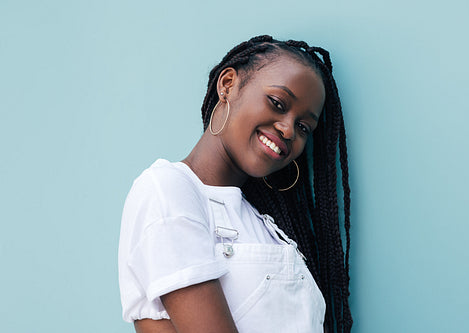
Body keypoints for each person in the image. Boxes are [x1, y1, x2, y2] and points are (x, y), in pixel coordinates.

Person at [118, 35, 352, 333]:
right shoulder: (168, 189)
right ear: (227, 84)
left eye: (303, 127)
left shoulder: (268, 226)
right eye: (278, 103)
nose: (288, 129)